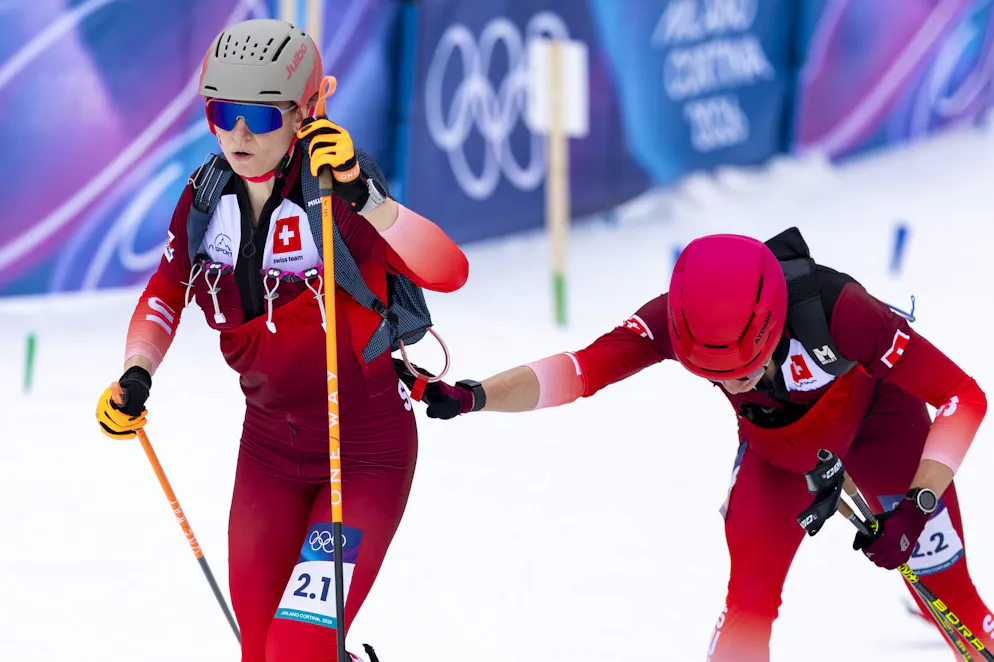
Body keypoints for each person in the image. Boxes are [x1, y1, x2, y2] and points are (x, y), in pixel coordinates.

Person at [404, 227, 992, 660]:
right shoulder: (671, 317)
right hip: (780, 453)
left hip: (885, 429)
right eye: (714, 375)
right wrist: (476, 395)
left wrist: (918, 504)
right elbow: (581, 370)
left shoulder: (843, 312)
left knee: (954, 598)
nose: (732, 384)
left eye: (746, 368)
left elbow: (963, 397)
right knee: (749, 605)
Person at [94, 18, 468, 662]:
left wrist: (368, 199)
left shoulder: (339, 194)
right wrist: (137, 371)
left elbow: (448, 270)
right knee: (260, 651)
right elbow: (164, 290)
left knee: (298, 647)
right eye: (222, 112)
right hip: (268, 453)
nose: (237, 134)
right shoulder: (205, 198)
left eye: (261, 118)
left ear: (305, 113)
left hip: (364, 455)